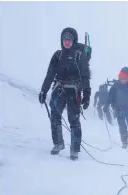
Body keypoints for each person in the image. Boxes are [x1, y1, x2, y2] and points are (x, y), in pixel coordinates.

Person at [38, 27, 91, 160]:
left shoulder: (80, 54)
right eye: (64, 39)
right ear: (62, 41)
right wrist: (44, 90)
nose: (67, 42)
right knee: (55, 115)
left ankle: (74, 150)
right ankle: (58, 143)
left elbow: (85, 75)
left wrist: (87, 94)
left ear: (74, 40)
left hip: (74, 91)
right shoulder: (57, 55)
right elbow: (50, 74)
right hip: (59, 89)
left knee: (74, 120)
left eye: (69, 39)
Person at [103, 67, 128, 151]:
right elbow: (110, 97)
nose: (122, 80)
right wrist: (106, 106)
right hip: (119, 110)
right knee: (122, 127)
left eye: (124, 78)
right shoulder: (115, 86)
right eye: (120, 78)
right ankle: (124, 144)